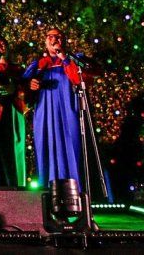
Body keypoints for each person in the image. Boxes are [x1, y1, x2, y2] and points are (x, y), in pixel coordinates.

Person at [23, 28, 82, 186]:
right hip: (46, 112)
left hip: (69, 110)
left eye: (58, 36)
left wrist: (64, 58)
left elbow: (79, 78)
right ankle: (49, 187)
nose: (54, 39)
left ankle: (76, 188)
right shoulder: (38, 64)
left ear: (64, 41)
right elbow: (22, 87)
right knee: (47, 145)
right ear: (45, 41)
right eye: (50, 36)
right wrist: (30, 85)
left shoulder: (73, 59)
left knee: (73, 144)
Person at [0, 36, 27, 187]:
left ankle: (17, 187)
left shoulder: (16, 69)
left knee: (15, 148)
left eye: (2, 44)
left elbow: (24, 90)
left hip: (13, 110)